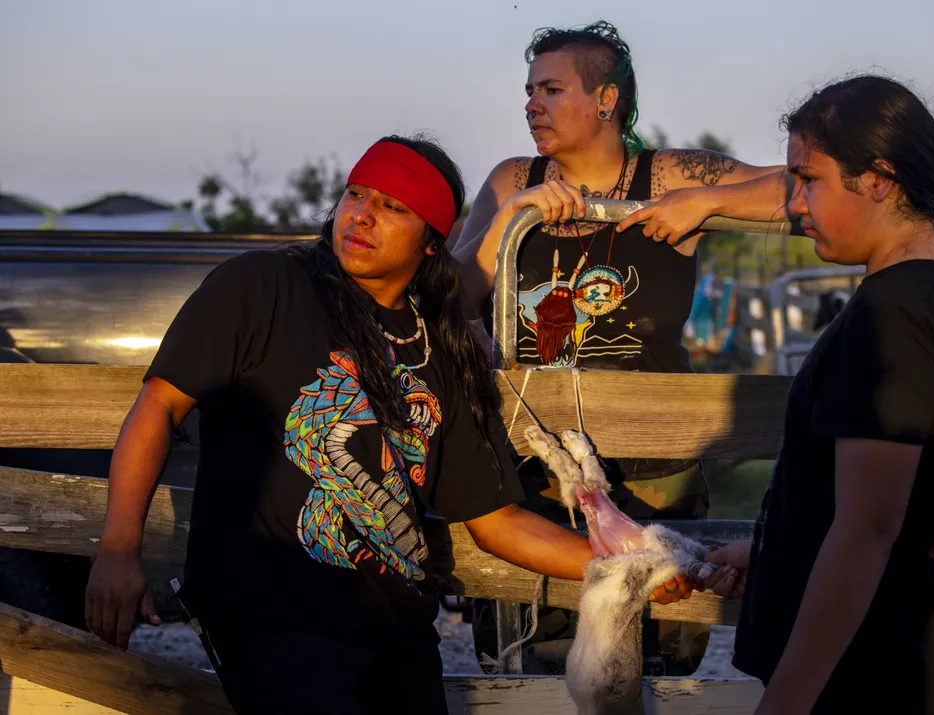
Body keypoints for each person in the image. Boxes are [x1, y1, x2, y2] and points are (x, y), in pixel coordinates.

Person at [83, 134, 693, 715]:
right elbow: (158, 407)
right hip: (274, 612)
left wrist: (630, 563)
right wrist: (117, 550)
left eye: (392, 206)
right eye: (356, 194)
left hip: (396, 627)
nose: (361, 215)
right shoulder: (262, 286)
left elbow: (496, 521)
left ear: (432, 240)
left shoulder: (441, 349)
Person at [453, 19, 792, 677]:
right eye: (529, 90)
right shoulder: (510, 179)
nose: (531, 104)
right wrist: (507, 222)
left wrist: (707, 203)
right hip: (538, 473)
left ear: (606, 99)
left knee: (656, 670)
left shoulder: (669, 177)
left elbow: (802, 184)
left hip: (655, 472)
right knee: (538, 670)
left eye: (551, 89)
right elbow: (455, 299)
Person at [695, 74, 934, 714]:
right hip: (929, 660)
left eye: (809, 179)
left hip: (873, 679)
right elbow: (908, 503)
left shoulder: (895, 313)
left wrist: (787, 703)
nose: (792, 204)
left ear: (878, 180)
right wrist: (778, 552)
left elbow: (868, 530)